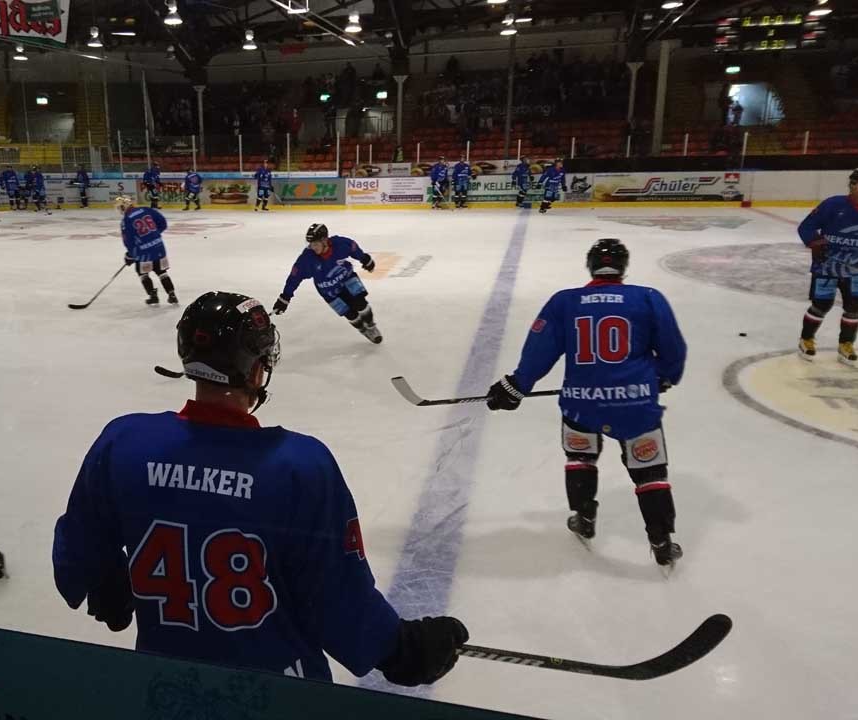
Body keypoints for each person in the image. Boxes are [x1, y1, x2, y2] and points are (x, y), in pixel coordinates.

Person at [52, 290, 468, 685]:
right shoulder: (299, 467)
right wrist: (399, 649)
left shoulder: (124, 442)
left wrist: (103, 580)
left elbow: (79, 547)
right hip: (280, 694)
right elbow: (336, 598)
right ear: (255, 371)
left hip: (165, 687)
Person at [485, 239, 688, 570]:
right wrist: (665, 377)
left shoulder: (564, 302)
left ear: (590, 266)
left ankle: (584, 518)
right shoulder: (648, 297)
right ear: (623, 268)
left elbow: (540, 349)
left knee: (580, 457)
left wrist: (517, 385)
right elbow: (673, 348)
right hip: (635, 404)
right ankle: (662, 542)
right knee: (649, 472)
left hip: (581, 403)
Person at [796, 168, 858, 365]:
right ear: (852, 185)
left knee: (855, 306)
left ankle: (846, 344)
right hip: (826, 266)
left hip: (856, 268)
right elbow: (806, 227)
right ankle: (806, 339)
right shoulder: (833, 204)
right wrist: (816, 243)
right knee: (821, 304)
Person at [272, 223, 382, 344]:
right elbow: (294, 278)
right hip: (328, 291)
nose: (313, 247)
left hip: (347, 278)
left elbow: (353, 247)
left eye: (315, 243)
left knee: (361, 304)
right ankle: (363, 329)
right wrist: (285, 297)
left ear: (325, 240)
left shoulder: (339, 244)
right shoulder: (307, 259)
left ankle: (371, 326)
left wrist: (364, 258)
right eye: (310, 244)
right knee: (350, 314)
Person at [116, 195, 177, 306]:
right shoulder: (146, 210)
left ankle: (153, 296)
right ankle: (172, 295)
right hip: (159, 247)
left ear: (123, 207)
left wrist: (130, 255)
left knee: (142, 273)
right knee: (162, 272)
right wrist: (153, 235)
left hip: (143, 253)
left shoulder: (126, 220)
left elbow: (129, 241)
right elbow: (163, 223)